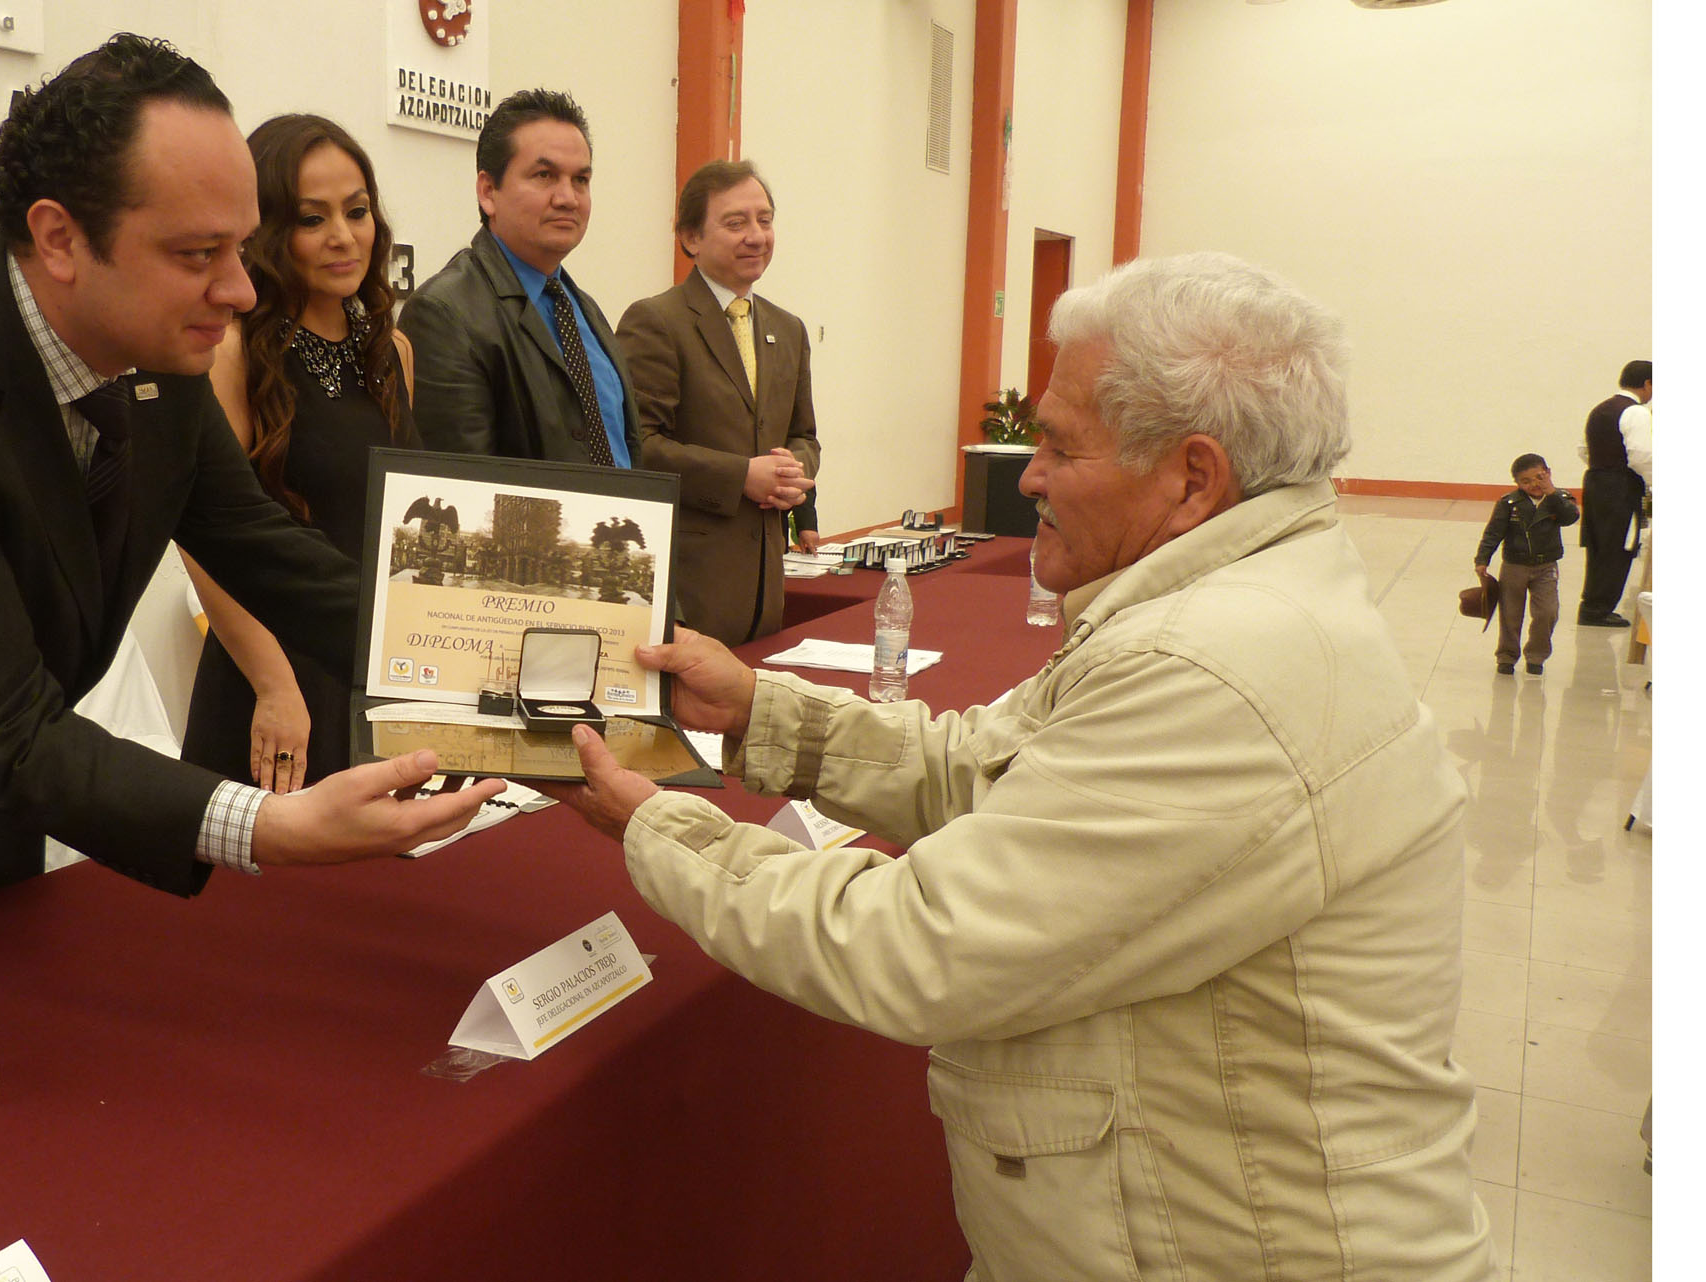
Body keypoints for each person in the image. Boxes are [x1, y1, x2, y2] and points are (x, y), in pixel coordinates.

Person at [551, 253, 1493, 1279]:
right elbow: (989, 770)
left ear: (1191, 475)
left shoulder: (1210, 667)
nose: (1027, 475)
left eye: (1055, 445)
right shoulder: (1227, 600)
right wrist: (754, 712)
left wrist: (660, 825)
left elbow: (919, 944)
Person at [0, 36, 501, 973]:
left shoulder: (159, 345)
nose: (239, 289)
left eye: (241, 245)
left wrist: (491, 667)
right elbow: (8, 735)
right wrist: (266, 826)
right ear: (61, 238)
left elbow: (265, 548)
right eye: (200, 253)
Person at [179, 115, 419, 792]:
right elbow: (204, 542)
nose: (344, 236)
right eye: (314, 219)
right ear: (267, 230)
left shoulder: (393, 350)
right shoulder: (229, 351)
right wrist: (274, 684)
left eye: (358, 211)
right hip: (268, 678)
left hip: (372, 668)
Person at [617, 160, 818, 644]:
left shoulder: (787, 329)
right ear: (690, 238)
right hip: (691, 590)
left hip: (764, 591)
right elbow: (637, 447)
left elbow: (803, 434)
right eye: (736, 223)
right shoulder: (657, 321)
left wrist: (794, 469)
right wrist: (740, 477)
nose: (756, 236)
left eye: (764, 220)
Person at [397, 88, 638, 467]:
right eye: (544, 175)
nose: (568, 198)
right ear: (488, 191)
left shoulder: (581, 308)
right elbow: (464, 491)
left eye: (581, 179)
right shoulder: (444, 314)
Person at [1475, 453, 1580, 676]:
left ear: (1548, 473)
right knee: (1510, 614)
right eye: (1526, 481)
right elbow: (1493, 532)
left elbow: (1570, 517)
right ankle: (1506, 656)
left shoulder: (1559, 499)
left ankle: (1536, 655)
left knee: (1547, 612)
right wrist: (1482, 559)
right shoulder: (1509, 503)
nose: (1534, 484)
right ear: (1517, 483)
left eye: (1539, 477)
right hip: (1515, 565)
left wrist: (1551, 492)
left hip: (1546, 567)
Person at [1576, 359, 1651, 627]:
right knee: (1620, 545)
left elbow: (1583, 449)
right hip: (1621, 486)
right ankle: (1600, 609)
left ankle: (1591, 605)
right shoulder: (1637, 412)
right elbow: (1641, 456)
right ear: (1647, 384)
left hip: (1595, 481)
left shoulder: (1601, 409)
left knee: (1598, 544)